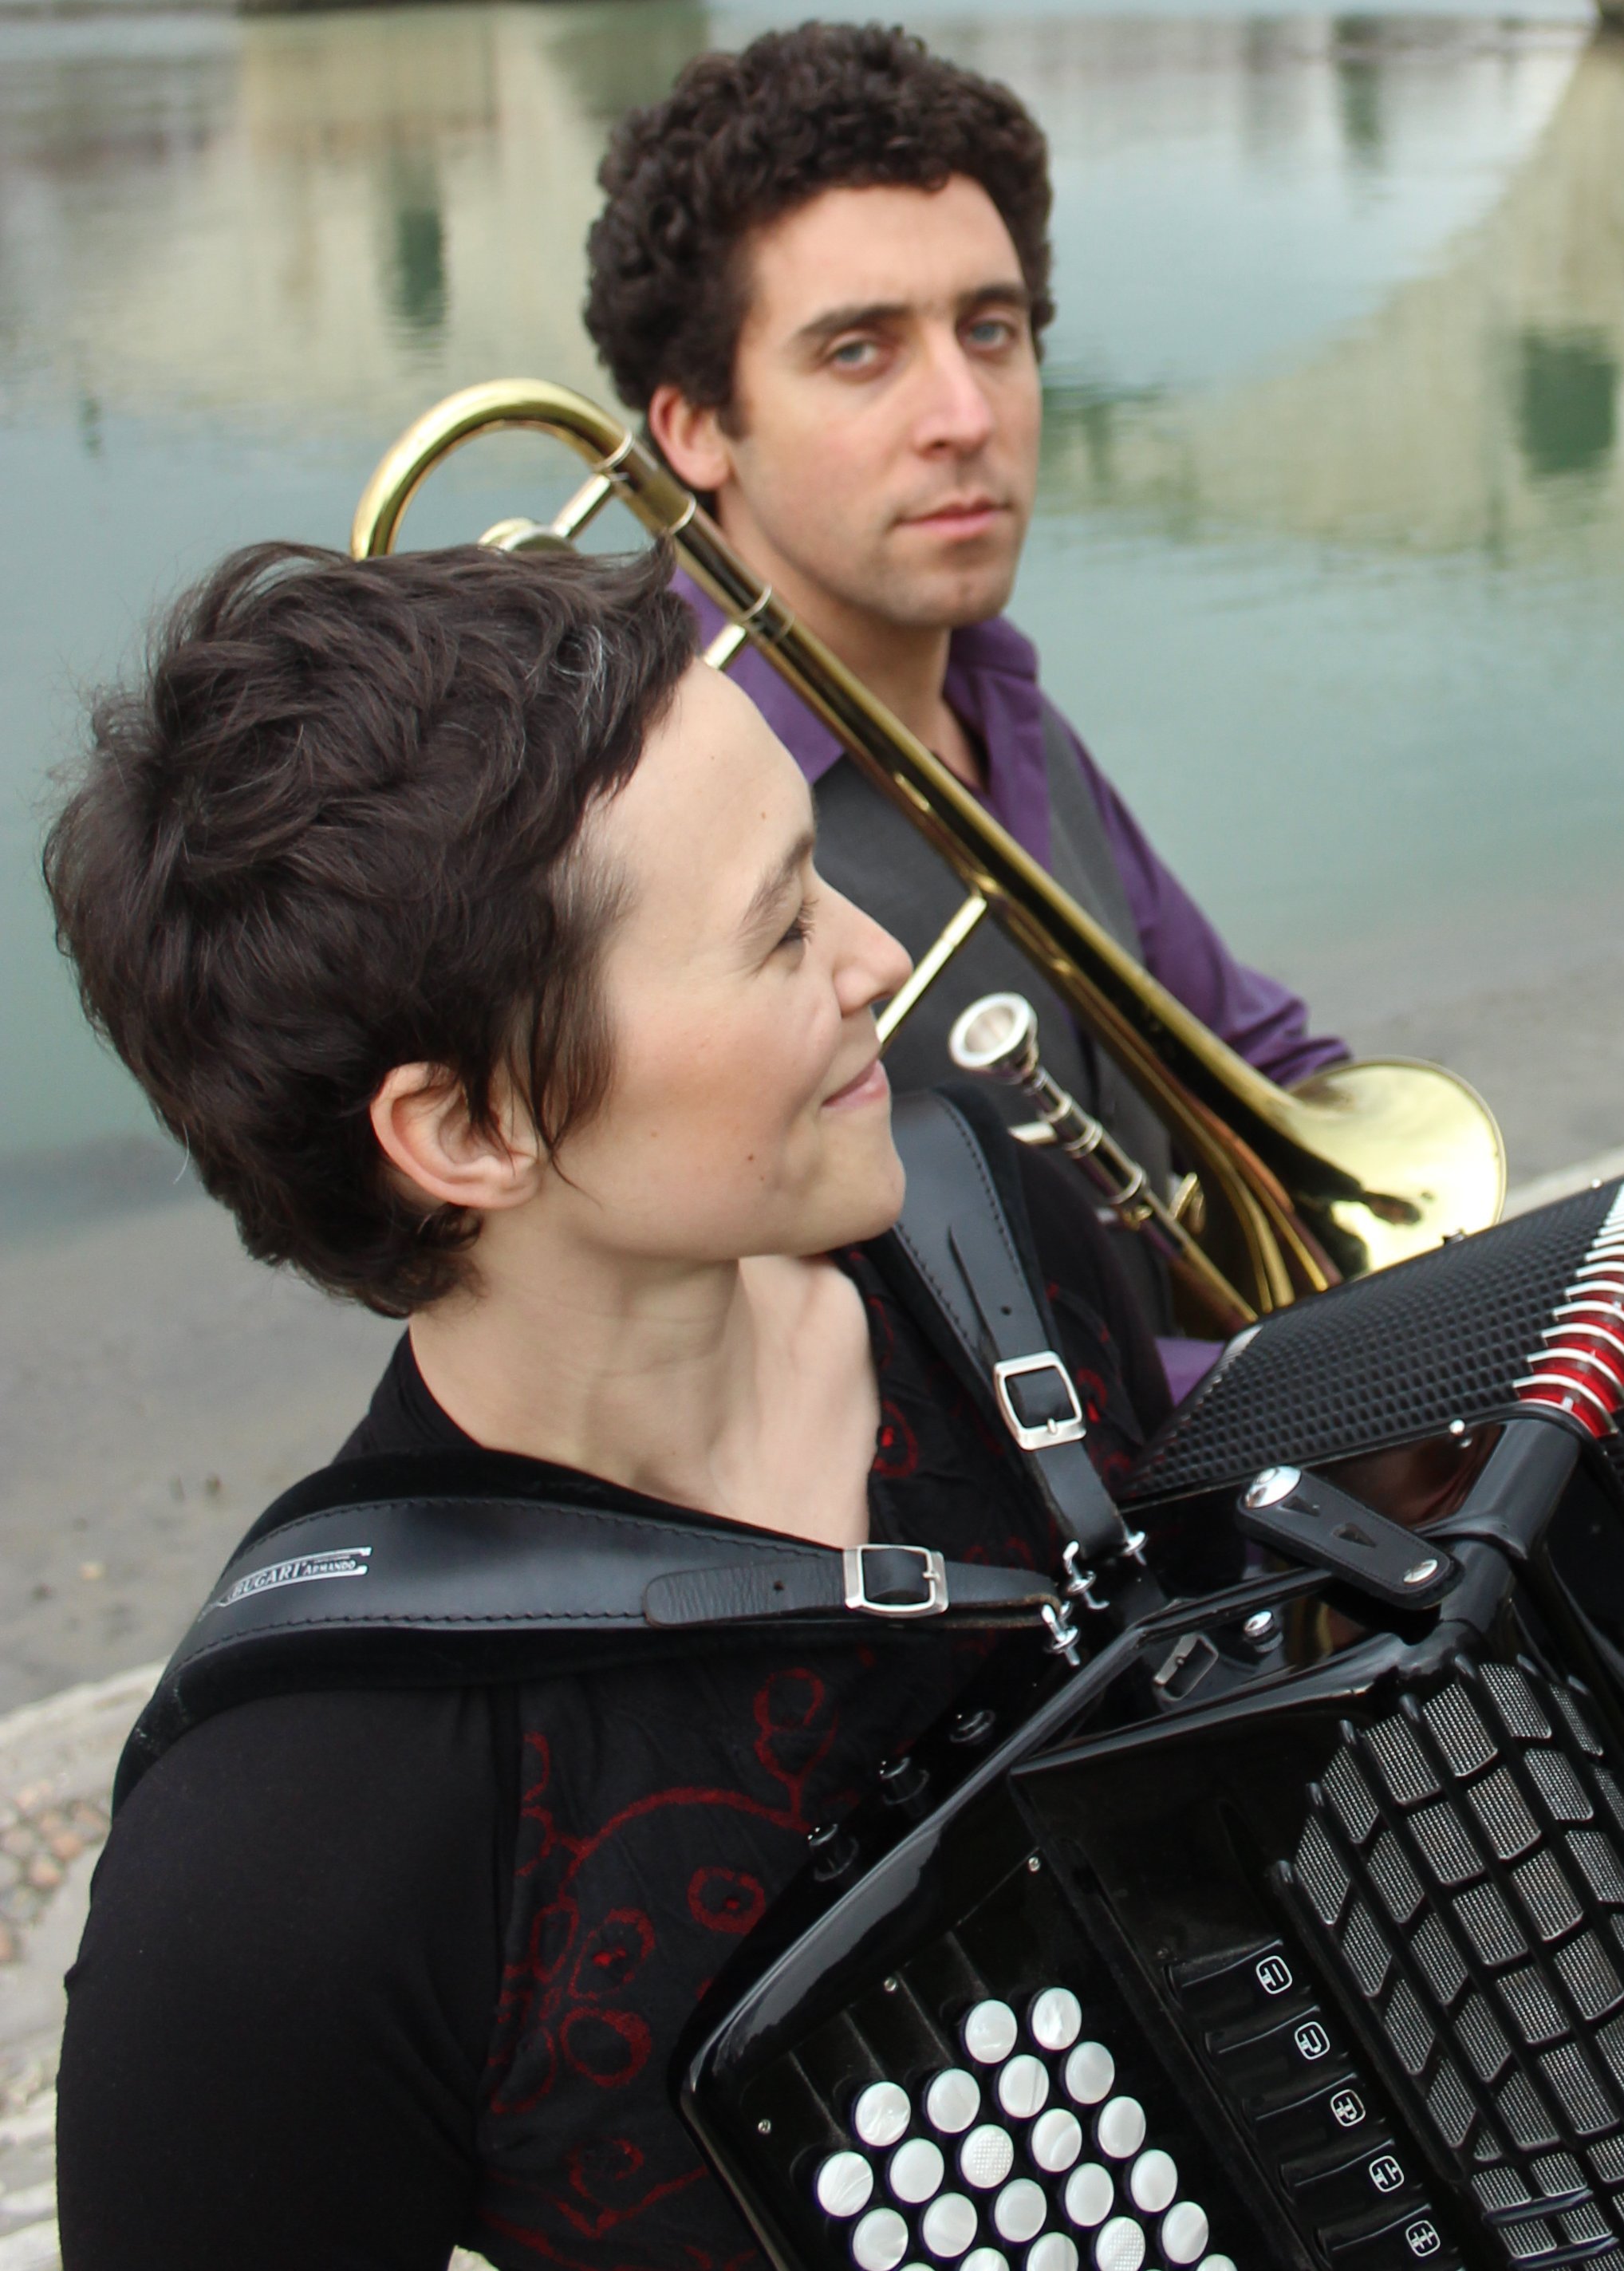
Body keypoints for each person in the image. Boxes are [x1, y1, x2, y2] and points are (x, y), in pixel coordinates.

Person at [48, 542, 1182, 2269]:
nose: (880, 957)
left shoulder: (993, 1237)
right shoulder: (275, 1865)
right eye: (780, 929)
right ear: (471, 1129)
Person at [583, 24, 1342, 1359]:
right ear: (694, 429)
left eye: (990, 331)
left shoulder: (1000, 703)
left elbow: (1242, 1050)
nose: (965, 415)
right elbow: (793, 1374)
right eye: (858, 353)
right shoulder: (637, 834)